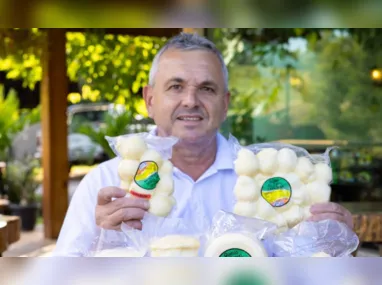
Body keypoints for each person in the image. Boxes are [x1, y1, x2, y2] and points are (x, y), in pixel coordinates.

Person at [53, 32, 353, 256]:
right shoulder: (105, 185)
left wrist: (334, 243)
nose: (191, 101)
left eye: (206, 88)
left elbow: (304, 269)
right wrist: (104, 242)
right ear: (149, 100)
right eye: (176, 86)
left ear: (225, 104)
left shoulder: (270, 182)